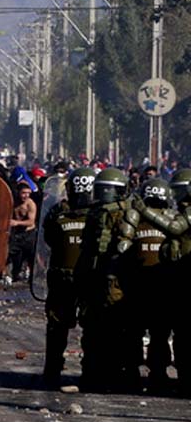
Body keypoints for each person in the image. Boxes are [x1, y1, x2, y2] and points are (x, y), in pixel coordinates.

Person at [131, 168, 191, 395]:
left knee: (177, 333)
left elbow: (175, 229)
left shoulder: (184, 215)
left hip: (180, 281)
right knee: (171, 332)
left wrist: (144, 211)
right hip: (175, 281)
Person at [77, 167, 132, 393]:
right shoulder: (101, 213)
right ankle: (100, 373)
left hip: (109, 277)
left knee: (108, 326)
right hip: (101, 277)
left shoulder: (121, 213)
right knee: (99, 326)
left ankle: (105, 373)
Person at [119, 178, 174, 392]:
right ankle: (155, 375)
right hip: (154, 288)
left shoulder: (134, 221)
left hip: (142, 287)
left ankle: (136, 374)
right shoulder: (170, 223)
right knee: (157, 334)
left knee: (140, 333)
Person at [41, 167, 95, 387]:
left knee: (59, 328)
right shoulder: (99, 214)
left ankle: (53, 370)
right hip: (86, 279)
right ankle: (89, 372)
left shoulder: (58, 214)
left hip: (65, 278)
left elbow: (51, 240)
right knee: (89, 327)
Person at [7, 183, 38, 282]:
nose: (26, 195)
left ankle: (32, 278)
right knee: (9, 254)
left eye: (28, 193)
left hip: (29, 234)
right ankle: (11, 275)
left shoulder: (30, 204)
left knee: (31, 257)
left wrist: (17, 223)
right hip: (16, 234)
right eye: (24, 193)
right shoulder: (13, 202)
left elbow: (31, 221)